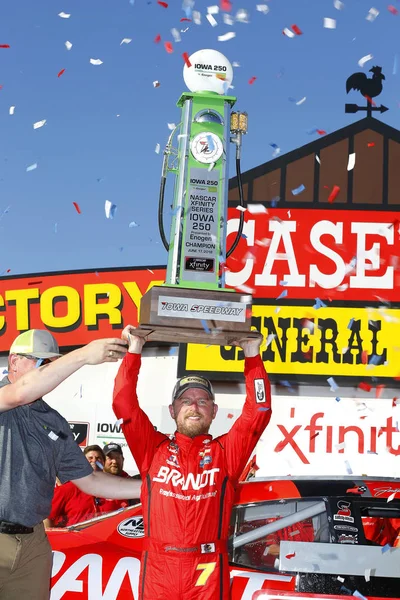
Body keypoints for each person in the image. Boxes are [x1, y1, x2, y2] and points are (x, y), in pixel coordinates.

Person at [112, 325, 272, 600]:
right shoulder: (152, 449)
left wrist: (252, 355)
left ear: (213, 411)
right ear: (173, 410)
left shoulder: (225, 453)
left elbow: (259, 410)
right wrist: (135, 349)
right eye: (185, 400)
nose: (194, 406)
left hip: (207, 571)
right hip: (159, 570)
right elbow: (123, 404)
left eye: (202, 401)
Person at [0, 329, 142, 600]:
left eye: (50, 363)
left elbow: (90, 480)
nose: (48, 369)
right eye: (40, 361)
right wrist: (84, 355)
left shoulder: (55, 422)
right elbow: (20, 392)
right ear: (13, 362)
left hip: (33, 546)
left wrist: (150, 488)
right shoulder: (5, 395)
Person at [44, 444, 132, 528]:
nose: (94, 461)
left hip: (104, 541)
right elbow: (46, 515)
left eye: (98, 458)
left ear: (104, 463)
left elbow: (123, 518)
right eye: (90, 458)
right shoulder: (68, 488)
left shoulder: (113, 490)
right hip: (76, 542)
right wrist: (51, 539)